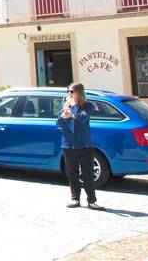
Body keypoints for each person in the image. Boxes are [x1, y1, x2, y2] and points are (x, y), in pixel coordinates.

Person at [58, 82, 104, 210]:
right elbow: (59, 123)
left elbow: (82, 118)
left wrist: (73, 108)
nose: (69, 94)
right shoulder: (65, 105)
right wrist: (63, 117)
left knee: (87, 174)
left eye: (71, 92)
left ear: (79, 92)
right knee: (72, 173)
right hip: (68, 145)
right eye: (68, 91)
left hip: (84, 145)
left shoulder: (88, 106)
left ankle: (92, 201)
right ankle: (75, 199)